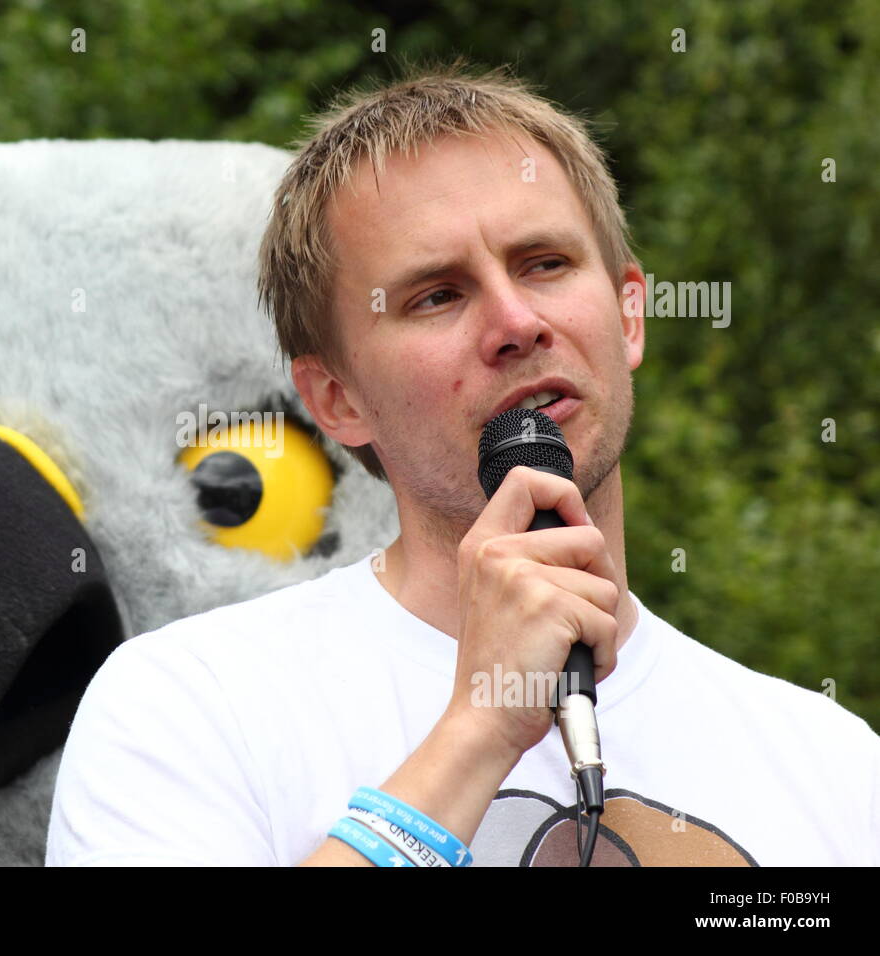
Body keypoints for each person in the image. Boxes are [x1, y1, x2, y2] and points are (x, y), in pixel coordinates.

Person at [44, 59, 879, 866]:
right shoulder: (186, 706)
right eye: (437, 294)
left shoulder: (832, 765)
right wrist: (480, 726)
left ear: (630, 314)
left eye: (545, 264)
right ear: (337, 398)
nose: (516, 321)